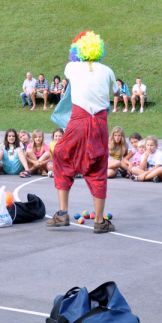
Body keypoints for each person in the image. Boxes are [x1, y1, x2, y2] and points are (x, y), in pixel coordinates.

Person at [47, 31, 117, 233]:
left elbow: (72, 71)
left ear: (78, 50)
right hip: (99, 124)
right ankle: (100, 221)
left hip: (78, 121)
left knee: (62, 157)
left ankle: (62, 212)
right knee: (97, 168)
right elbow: (114, 91)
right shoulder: (108, 71)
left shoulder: (72, 67)